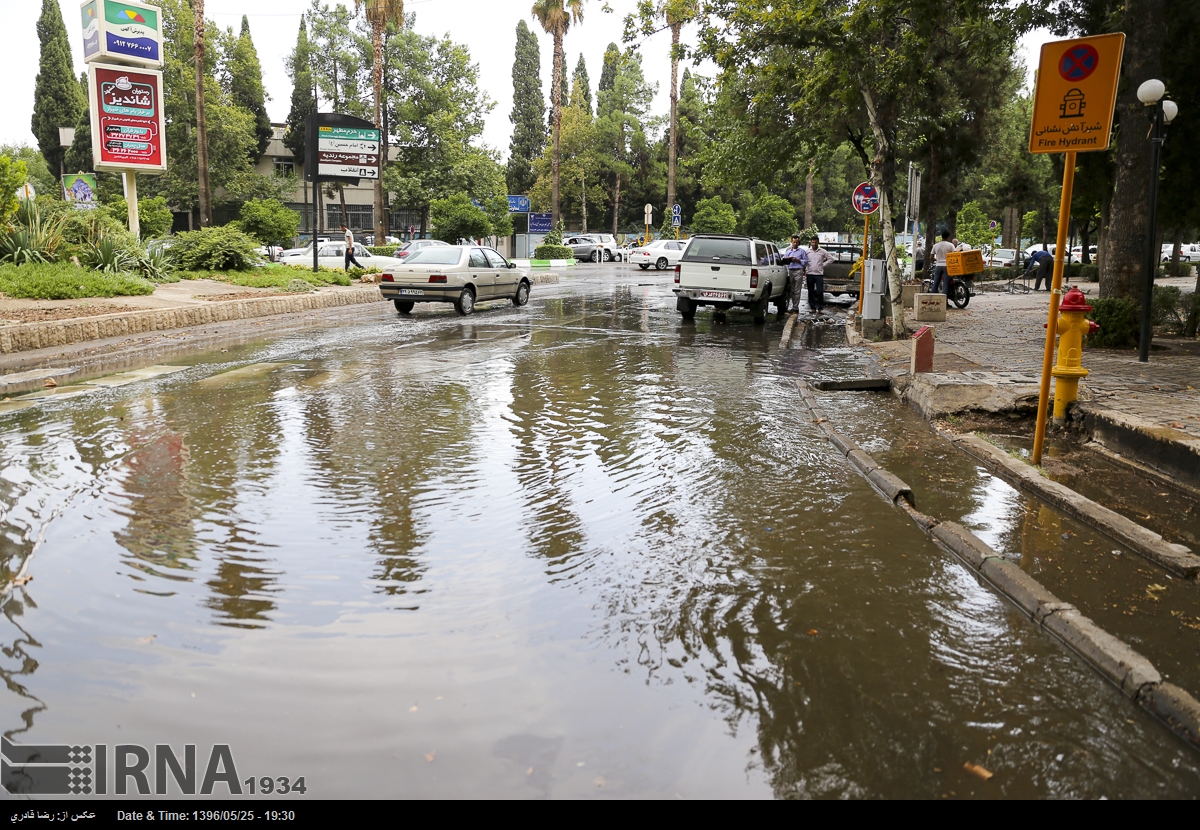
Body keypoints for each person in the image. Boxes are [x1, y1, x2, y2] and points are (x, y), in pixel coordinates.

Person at [804, 236, 837, 314]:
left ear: (818, 242)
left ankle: (820, 308)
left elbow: (831, 259)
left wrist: (823, 265)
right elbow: (804, 261)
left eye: (815, 242)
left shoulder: (822, 251)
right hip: (810, 274)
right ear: (811, 242)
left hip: (818, 274)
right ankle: (812, 308)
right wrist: (805, 269)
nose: (814, 244)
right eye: (812, 242)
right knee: (811, 291)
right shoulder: (807, 251)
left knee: (819, 291)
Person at [779, 234, 809, 312]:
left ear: (799, 243)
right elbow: (783, 259)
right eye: (793, 242)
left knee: (797, 290)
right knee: (792, 290)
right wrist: (787, 259)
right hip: (791, 271)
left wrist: (798, 260)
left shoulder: (802, 251)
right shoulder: (788, 252)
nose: (795, 244)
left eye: (796, 242)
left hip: (799, 271)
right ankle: (793, 306)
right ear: (791, 242)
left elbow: (806, 262)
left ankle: (795, 307)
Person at [931, 230, 955, 298]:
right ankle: (944, 302)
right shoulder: (951, 245)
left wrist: (937, 260)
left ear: (942, 236)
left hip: (938, 266)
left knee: (935, 283)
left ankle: (933, 299)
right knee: (946, 284)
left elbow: (931, 257)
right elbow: (955, 255)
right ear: (948, 237)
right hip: (947, 266)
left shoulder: (936, 245)